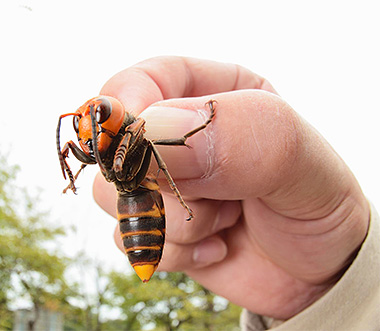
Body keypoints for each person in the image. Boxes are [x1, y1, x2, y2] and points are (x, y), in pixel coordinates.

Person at [92, 56, 379, 330]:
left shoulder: (137, 127)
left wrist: (337, 289)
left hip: (141, 208)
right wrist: (327, 298)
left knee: (153, 143)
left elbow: (153, 141)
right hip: (135, 207)